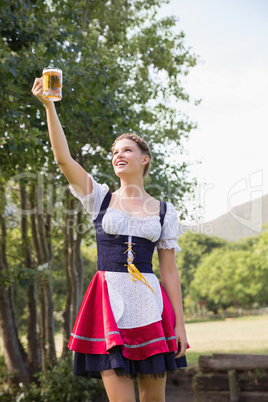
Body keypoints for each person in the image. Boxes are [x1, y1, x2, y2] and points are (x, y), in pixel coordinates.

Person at [32, 77, 188, 402]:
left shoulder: (164, 211)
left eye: (127, 150)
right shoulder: (99, 197)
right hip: (108, 302)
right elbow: (64, 160)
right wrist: (49, 106)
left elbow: (170, 272)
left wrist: (180, 325)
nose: (118, 155)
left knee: (154, 400)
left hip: (150, 304)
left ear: (144, 159)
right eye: (114, 151)